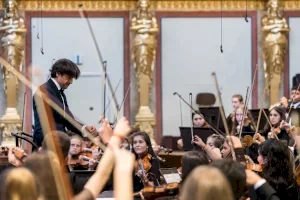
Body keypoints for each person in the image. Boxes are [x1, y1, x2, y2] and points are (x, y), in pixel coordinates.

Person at [32, 59, 97, 147]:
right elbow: (43, 126)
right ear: (58, 74)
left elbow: (66, 118)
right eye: (68, 78)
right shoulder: (45, 91)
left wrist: (84, 128)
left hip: (57, 143)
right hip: (48, 145)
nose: (70, 82)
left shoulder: (58, 92)